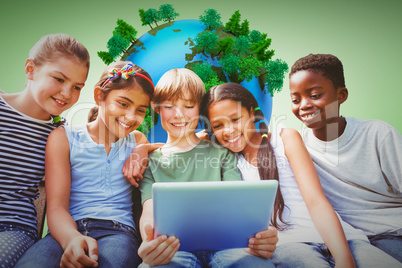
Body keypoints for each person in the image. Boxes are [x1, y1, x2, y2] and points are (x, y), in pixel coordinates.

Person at [201, 82, 401, 267]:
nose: (228, 131)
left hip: (344, 239)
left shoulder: (285, 137)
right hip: (290, 246)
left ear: (252, 113)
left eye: (235, 119)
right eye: (218, 125)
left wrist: (343, 257)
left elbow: (316, 200)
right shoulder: (226, 162)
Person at [15, 61, 155, 268]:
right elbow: (57, 208)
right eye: (123, 104)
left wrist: (142, 149)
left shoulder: (137, 140)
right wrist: (71, 238)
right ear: (99, 96)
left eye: (141, 110)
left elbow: (166, 147)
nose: (131, 117)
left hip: (118, 233)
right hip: (65, 231)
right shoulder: (63, 137)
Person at [137, 68, 277, 268]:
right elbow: (148, 212)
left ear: (199, 109)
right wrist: (149, 241)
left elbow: (238, 202)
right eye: (169, 106)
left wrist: (262, 235)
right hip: (175, 251)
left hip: (228, 249)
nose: (179, 114)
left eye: (188, 106)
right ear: (156, 107)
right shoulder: (149, 162)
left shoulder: (221, 151)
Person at [289, 53, 402, 262]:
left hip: (392, 233)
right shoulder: (298, 146)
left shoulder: (377, 134)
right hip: (347, 239)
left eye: (314, 95)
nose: (303, 105)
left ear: (341, 95)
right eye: (295, 99)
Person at [0, 33, 90, 267]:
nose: (67, 93)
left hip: (13, 227)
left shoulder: (60, 136)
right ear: (31, 69)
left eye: (77, 86)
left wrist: (142, 148)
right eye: (59, 79)